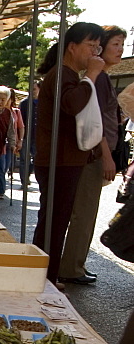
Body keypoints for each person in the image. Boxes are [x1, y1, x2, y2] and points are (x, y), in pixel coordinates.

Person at [31, 21, 105, 285]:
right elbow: (73, 104)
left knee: (54, 220)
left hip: (62, 158)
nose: (95, 52)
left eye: (98, 46)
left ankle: (44, 275)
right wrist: (92, 76)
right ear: (72, 47)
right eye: (91, 45)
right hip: (58, 160)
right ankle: (45, 278)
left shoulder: (65, 73)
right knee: (54, 221)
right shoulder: (63, 74)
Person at [58, 24, 126, 285]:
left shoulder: (102, 78)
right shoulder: (96, 78)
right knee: (83, 212)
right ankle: (71, 266)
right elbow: (93, 122)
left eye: (122, 45)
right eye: (115, 44)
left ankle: (75, 264)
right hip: (93, 154)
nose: (119, 50)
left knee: (86, 212)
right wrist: (106, 155)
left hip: (95, 153)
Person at [19, 81, 40, 187]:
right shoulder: (24, 103)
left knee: (35, 159)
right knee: (24, 159)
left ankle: (28, 175)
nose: (32, 92)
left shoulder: (43, 102)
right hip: (26, 135)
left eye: (34, 89)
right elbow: (20, 120)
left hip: (38, 136)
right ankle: (24, 180)